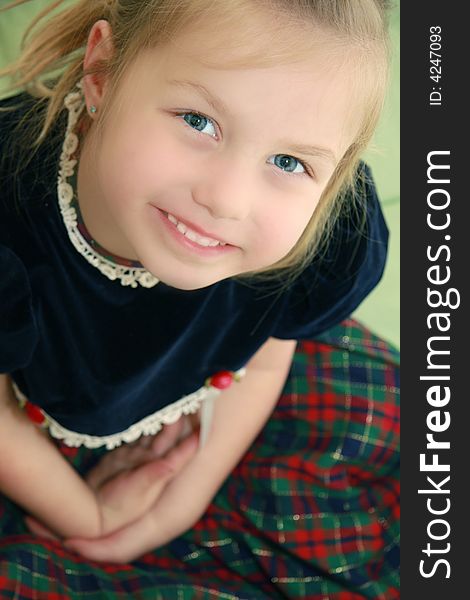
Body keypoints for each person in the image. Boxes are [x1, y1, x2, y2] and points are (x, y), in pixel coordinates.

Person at [0, 0, 399, 597]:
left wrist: (180, 500)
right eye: (197, 121)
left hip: (221, 403)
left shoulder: (320, 236)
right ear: (102, 70)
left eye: (289, 162)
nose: (228, 201)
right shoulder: (11, 202)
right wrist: (90, 517)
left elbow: (264, 353)